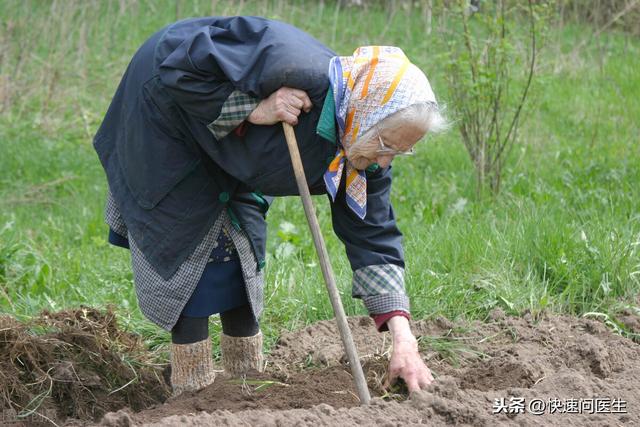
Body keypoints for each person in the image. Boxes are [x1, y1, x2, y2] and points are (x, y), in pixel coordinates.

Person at [93, 16, 446, 397]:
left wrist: (403, 339)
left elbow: (374, 236)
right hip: (169, 123)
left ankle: (248, 394)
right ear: (365, 117)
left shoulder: (365, 149)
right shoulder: (286, 64)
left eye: (400, 151)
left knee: (241, 256)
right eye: (387, 145)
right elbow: (174, 59)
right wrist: (250, 108)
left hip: (238, 154)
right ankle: (191, 398)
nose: (385, 162)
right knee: (188, 252)